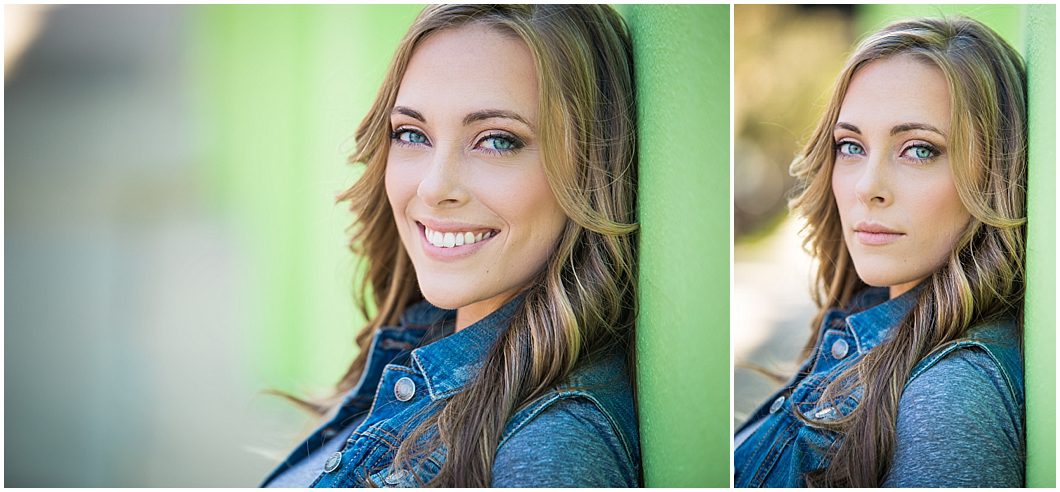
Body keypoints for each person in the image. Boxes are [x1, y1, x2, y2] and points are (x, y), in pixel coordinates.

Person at [260, 4, 639, 488]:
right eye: (412, 133)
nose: (434, 187)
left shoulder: (550, 450)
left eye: (497, 141)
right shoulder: (418, 354)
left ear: (591, 170)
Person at [734, 16, 1027, 487]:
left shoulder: (950, 399)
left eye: (919, 150)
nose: (867, 187)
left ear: (993, 174)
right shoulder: (865, 329)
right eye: (851, 145)